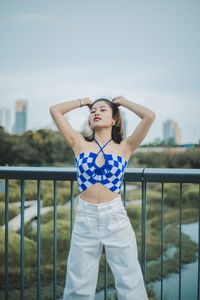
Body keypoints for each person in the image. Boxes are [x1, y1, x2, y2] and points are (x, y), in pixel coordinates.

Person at [50, 96, 156, 300]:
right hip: (85, 218)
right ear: (89, 120)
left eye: (103, 110)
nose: (96, 113)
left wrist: (123, 102)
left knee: (130, 282)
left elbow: (149, 116)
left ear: (115, 119)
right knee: (77, 285)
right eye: (93, 111)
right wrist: (83, 102)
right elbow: (55, 110)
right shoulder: (79, 143)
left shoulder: (125, 147)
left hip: (115, 216)